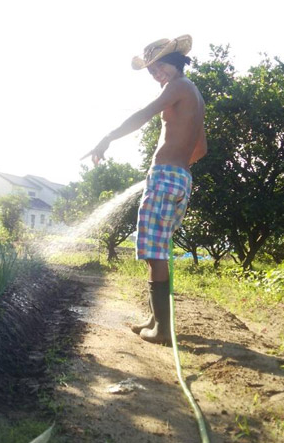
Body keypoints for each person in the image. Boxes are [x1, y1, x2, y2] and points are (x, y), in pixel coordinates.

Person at [83, 34, 207, 345]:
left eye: (158, 66)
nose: (155, 74)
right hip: (179, 178)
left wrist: (108, 137)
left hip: (167, 177)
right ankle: (155, 319)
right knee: (157, 251)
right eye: (151, 70)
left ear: (175, 62)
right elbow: (201, 148)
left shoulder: (177, 86)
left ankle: (162, 330)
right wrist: (178, 167)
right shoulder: (194, 94)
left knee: (153, 252)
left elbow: (143, 115)